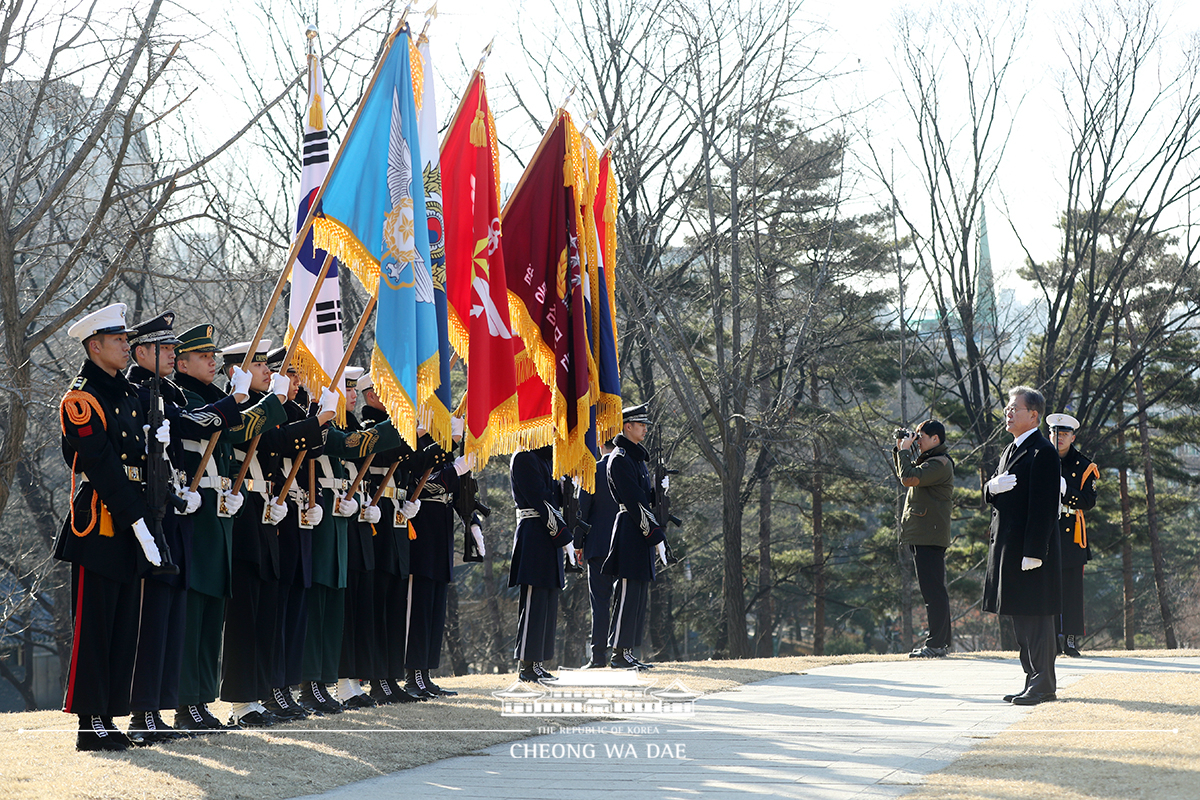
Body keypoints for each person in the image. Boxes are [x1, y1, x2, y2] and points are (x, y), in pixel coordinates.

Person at [125, 311, 245, 743]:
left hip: (179, 508)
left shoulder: (166, 390)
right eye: (168, 350)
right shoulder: (141, 390)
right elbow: (195, 423)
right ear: (142, 352)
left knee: (180, 616)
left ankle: (181, 702)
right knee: (162, 617)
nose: (174, 356)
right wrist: (238, 404)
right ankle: (152, 709)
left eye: (178, 350)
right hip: (152, 514)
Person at [55, 303, 165, 751]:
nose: (126, 346)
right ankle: (89, 722)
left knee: (122, 626)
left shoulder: (125, 392)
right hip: (100, 522)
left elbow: (139, 461)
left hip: (131, 516)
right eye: (119, 341)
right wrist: (136, 519)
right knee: (94, 627)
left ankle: (109, 716)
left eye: (126, 340)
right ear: (94, 346)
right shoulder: (81, 398)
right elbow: (100, 466)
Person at [174, 325, 287, 731]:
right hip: (197, 513)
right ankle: (187, 702)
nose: (211, 361)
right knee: (196, 611)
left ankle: (200, 701)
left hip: (222, 510)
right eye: (203, 357)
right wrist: (243, 400)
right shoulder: (183, 396)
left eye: (212, 356)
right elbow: (221, 426)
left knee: (211, 612)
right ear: (182, 363)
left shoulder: (211, 399)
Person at [983, 386, 1062, 706]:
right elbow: (994, 492)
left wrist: (1034, 552)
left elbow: (1044, 506)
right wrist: (990, 487)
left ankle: (1044, 684)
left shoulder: (1042, 452)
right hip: (1009, 547)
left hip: (1029, 551)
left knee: (1037, 618)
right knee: (1020, 617)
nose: (1008, 412)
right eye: (1007, 408)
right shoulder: (1011, 449)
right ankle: (1031, 677)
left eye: (1015, 408)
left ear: (1034, 415)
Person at [602, 404, 667, 670]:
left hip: (639, 530)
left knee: (638, 595)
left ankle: (627, 651)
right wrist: (656, 536)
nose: (645, 429)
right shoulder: (619, 459)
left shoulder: (635, 459)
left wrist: (659, 492)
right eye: (640, 424)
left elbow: (645, 498)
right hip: (631, 529)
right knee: (627, 593)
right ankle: (618, 653)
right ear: (627, 426)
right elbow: (634, 502)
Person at [509, 445, 571, 682]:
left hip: (549, 534)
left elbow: (554, 497)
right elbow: (541, 500)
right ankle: (526, 664)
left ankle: (537, 662)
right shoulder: (524, 457)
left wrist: (566, 487)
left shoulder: (544, 459)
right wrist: (564, 537)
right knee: (534, 601)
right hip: (535, 533)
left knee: (547, 601)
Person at [893, 420, 955, 659]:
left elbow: (908, 478)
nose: (917, 440)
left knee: (933, 591)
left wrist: (905, 451)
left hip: (930, 534)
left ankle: (937, 644)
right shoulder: (930, 461)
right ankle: (941, 642)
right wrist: (900, 449)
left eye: (921, 436)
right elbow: (905, 472)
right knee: (934, 590)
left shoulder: (939, 464)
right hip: (926, 533)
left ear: (936, 439)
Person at [1047, 413, 1099, 658]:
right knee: (1045, 587)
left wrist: (1067, 490)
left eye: (1064, 434)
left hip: (1070, 530)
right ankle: (1048, 639)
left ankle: (1069, 638)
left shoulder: (1083, 464)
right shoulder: (1040, 458)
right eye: (1056, 434)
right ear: (1049, 435)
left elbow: (1089, 501)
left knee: (1071, 588)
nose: (1059, 438)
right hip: (1045, 528)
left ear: (1073, 437)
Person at [578, 439, 619, 668]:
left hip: (598, 545)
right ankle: (623, 651)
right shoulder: (627, 466)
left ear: (599, 445)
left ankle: (599, 656)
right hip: (623, 545)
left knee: (600, 603)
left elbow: (582, 510)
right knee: (623, 602)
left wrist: (577, 543)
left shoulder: (592, 470)